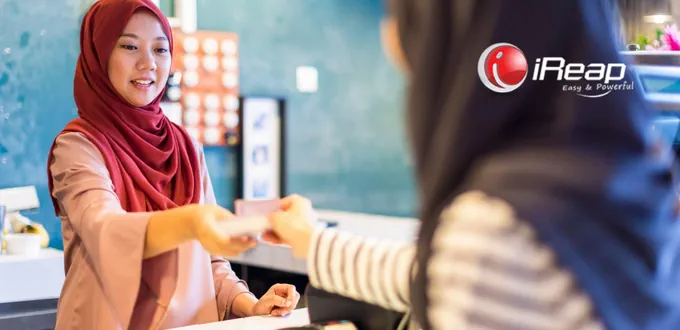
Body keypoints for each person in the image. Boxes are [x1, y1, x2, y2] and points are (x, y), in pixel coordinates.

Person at [266, 1, 680, 329]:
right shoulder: (631, 178)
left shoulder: (498, 224)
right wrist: (312, 240)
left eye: (404, 16)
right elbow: (433, 276)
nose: (391, 38)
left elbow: (470, 264)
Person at [46, 1, 299, 329]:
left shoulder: (186, 148)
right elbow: (105, 231)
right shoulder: (78, 147)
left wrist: (251, 304)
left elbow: (210, 264)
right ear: (98, 54)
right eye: (129, 46)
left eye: (160, 49)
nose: (147, 63)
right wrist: (191, 221)